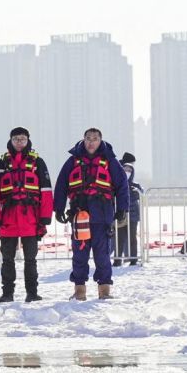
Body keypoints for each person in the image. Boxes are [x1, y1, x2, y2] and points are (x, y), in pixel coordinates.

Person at [53, 128, 129, 301]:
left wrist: (122, 209)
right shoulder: (72, 161)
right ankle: (79, 291)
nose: (91, 142)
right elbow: (62, 184)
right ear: (83, 140)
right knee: (79, 255)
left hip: (103, 216)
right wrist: (58, 208)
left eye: (95, 139)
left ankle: (105, 291)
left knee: (102, 256)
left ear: (100, 140)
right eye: (88, 138)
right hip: (79, 216)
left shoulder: (110, 161)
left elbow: (122, 186)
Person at [0, 127, 54, 302]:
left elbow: (46, 190)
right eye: (16, 139)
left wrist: (45, 217)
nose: (19, 142)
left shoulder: (38, 162)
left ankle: (32, 293)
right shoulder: (1, 164)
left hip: (31, 218)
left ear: (28, 140)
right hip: (8, 218)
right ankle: (7, 293)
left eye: (22, 139)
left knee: (30, 259)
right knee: (7, 259)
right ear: (11, 140)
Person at [113, 152, 143, 266]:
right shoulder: (126, 170)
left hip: (127, 211)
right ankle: (123, 259)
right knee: (124, 237)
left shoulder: (134, 185)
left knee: (126, 236)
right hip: (125, 211)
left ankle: (126, 259)